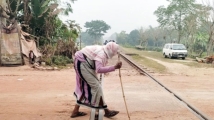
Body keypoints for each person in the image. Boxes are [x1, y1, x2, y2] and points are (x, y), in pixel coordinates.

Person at [71, 42, 122, 118]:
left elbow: (97, 66)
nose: (114, 54)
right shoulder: (102, 54)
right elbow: (98, 69)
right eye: (114, 52)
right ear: (111, 51)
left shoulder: (104, 51)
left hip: (83, 64)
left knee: (87, 87)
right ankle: (97, 112)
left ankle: (75, 111)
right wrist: (114, 67)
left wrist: (108, 69)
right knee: (96, 87)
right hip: (82, 64)